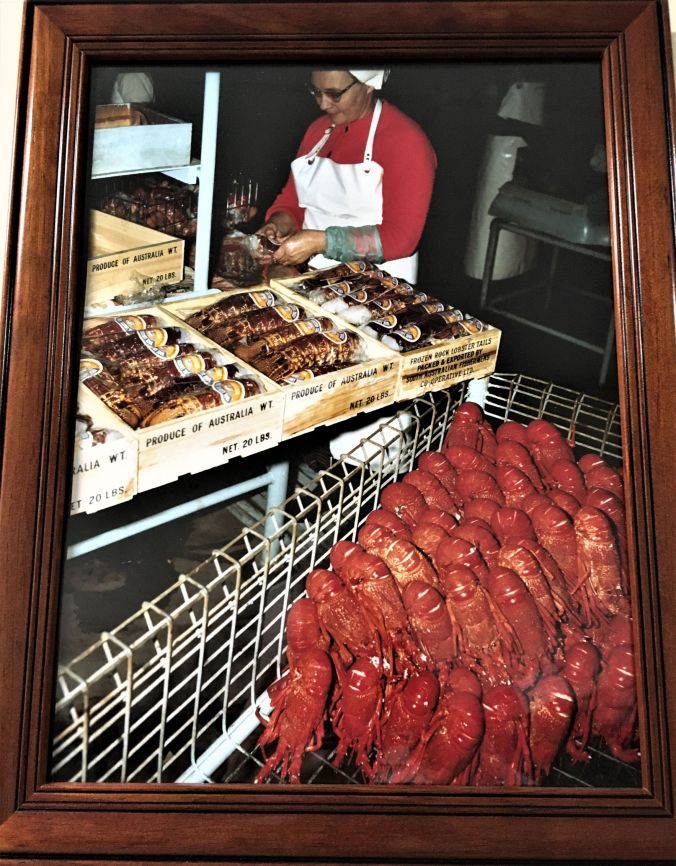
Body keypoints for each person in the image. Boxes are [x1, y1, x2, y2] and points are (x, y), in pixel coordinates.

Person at [257, 69, 437, 283]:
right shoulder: (318, 130)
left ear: (368, 85)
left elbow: (401, 238)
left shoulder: (406, 141)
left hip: (375, 284)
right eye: (316, 91)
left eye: (335, 94)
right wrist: (277, 224)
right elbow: (293, 202)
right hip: (306, 274)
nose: (323, 104)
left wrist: (321, 242)